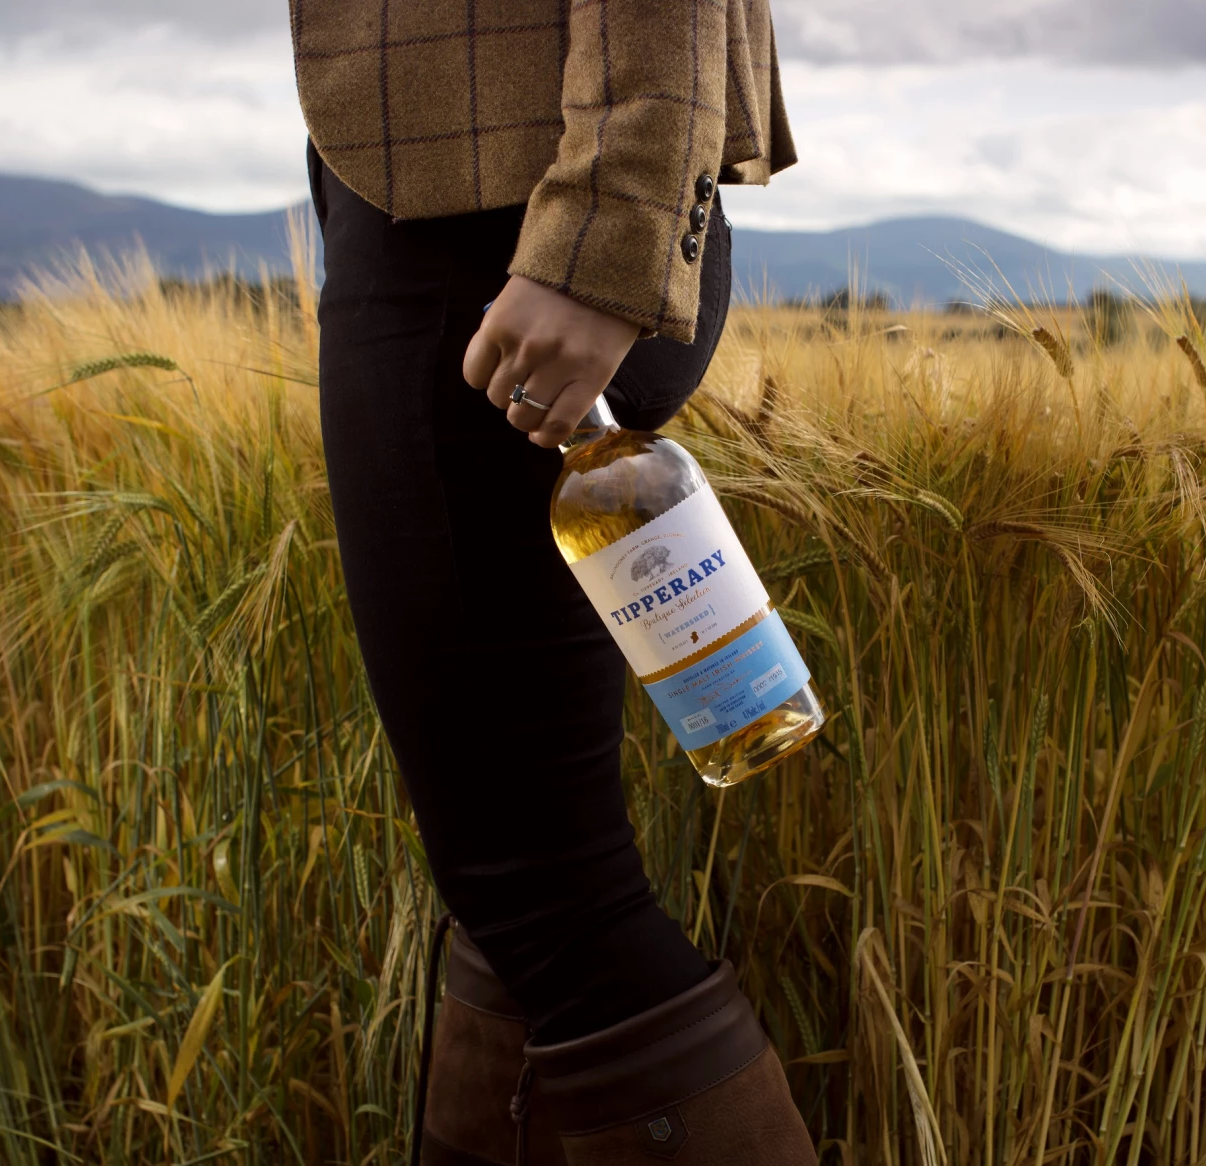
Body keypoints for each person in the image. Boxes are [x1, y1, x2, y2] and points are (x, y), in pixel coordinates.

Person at [288, 2, 815, 1163]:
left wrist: (609, 226)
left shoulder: (554, 234)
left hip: (514, 236)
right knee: (516, 891)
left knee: (548, 899)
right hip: (483, 209)